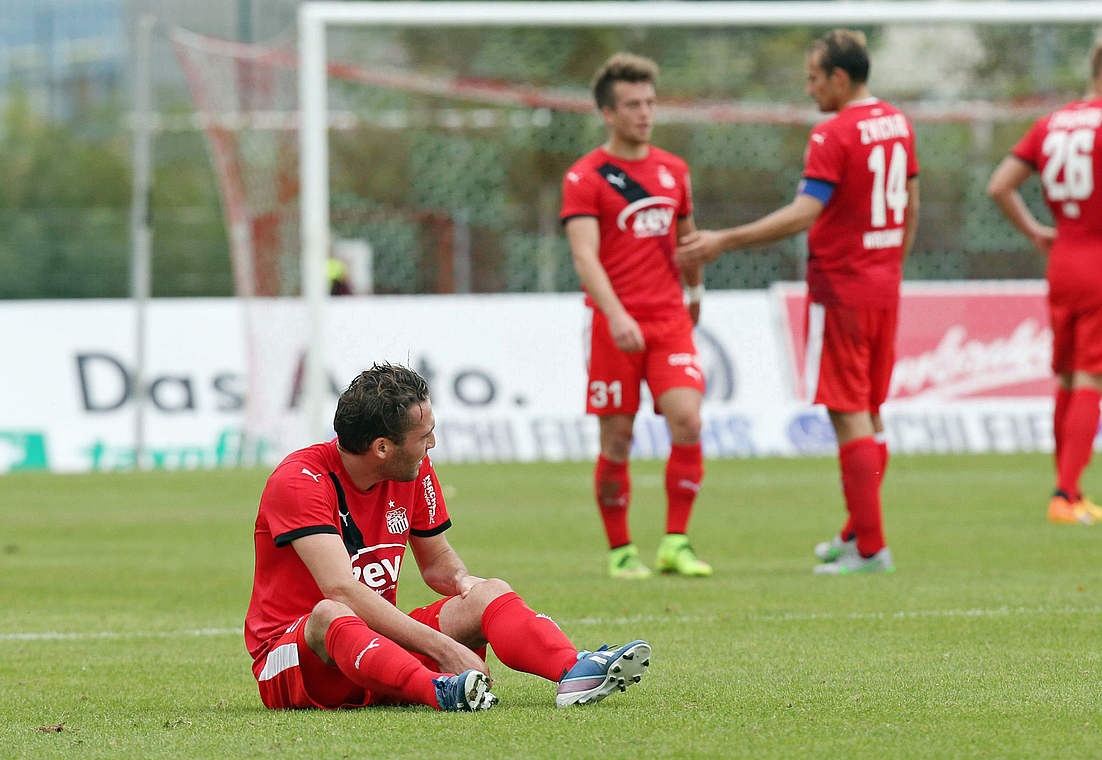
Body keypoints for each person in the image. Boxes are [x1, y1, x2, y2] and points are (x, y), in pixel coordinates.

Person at [244, 363, 651, 711]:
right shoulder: (301, 481)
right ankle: (438, 689)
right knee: (331, 612)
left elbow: (437, 562)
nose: (432, 445)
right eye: (423, 437)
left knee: (490, 592)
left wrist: (462, 582)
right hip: (299, 660)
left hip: (376, 653)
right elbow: (341, 591)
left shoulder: (414, 470)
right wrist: (442, 648)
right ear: (382, 447)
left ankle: (573, 669)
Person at [677, 30, 919, 575]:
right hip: (883, 284)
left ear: (839, 77)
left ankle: (871, 547)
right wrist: (892, 264)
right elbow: (911, 198)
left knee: (847, 411)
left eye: (813, 77)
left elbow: (805, 212)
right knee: (870, 412)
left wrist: (724, 240)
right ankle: (859, 529)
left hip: (843, 287)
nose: (808, 88)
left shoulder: (833, 132)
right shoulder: (898, 123)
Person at [986, 38, 1102, 525]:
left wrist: (1032, 230)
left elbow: (999, 184)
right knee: (1094, 375)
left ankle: (1067, 490)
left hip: (1064, 257)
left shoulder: (1052, 122)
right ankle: (1066, 494)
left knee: (1070, 377)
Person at [560, 53, 712, 579]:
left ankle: (676, 541)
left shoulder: (675, 170)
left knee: (688, 420)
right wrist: (616, 313)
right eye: (632, 104)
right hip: (612, 323)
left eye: (650, 102)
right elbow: (585, 256)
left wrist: (696, 288)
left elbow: (687, 240)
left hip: (669, 318)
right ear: (607, 111)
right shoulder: (586, 177)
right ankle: (622, 550)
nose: (645, 113)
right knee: (618, 440)